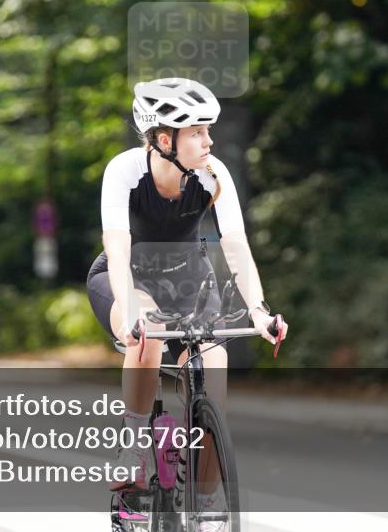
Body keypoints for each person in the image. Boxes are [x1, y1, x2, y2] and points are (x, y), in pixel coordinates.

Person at [86, 77, 289, 530]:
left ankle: (206, 501)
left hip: (188, 280)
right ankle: (135, 450)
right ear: (164, 139)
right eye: (197, 132)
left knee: (212, 369)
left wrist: (258, 308)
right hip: (127, 279)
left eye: (208, 130)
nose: (208, 140)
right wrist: (131, 314)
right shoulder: (124, 172)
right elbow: (118, 249)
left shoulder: (213, 173)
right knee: (149, 339)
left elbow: (235, 246)